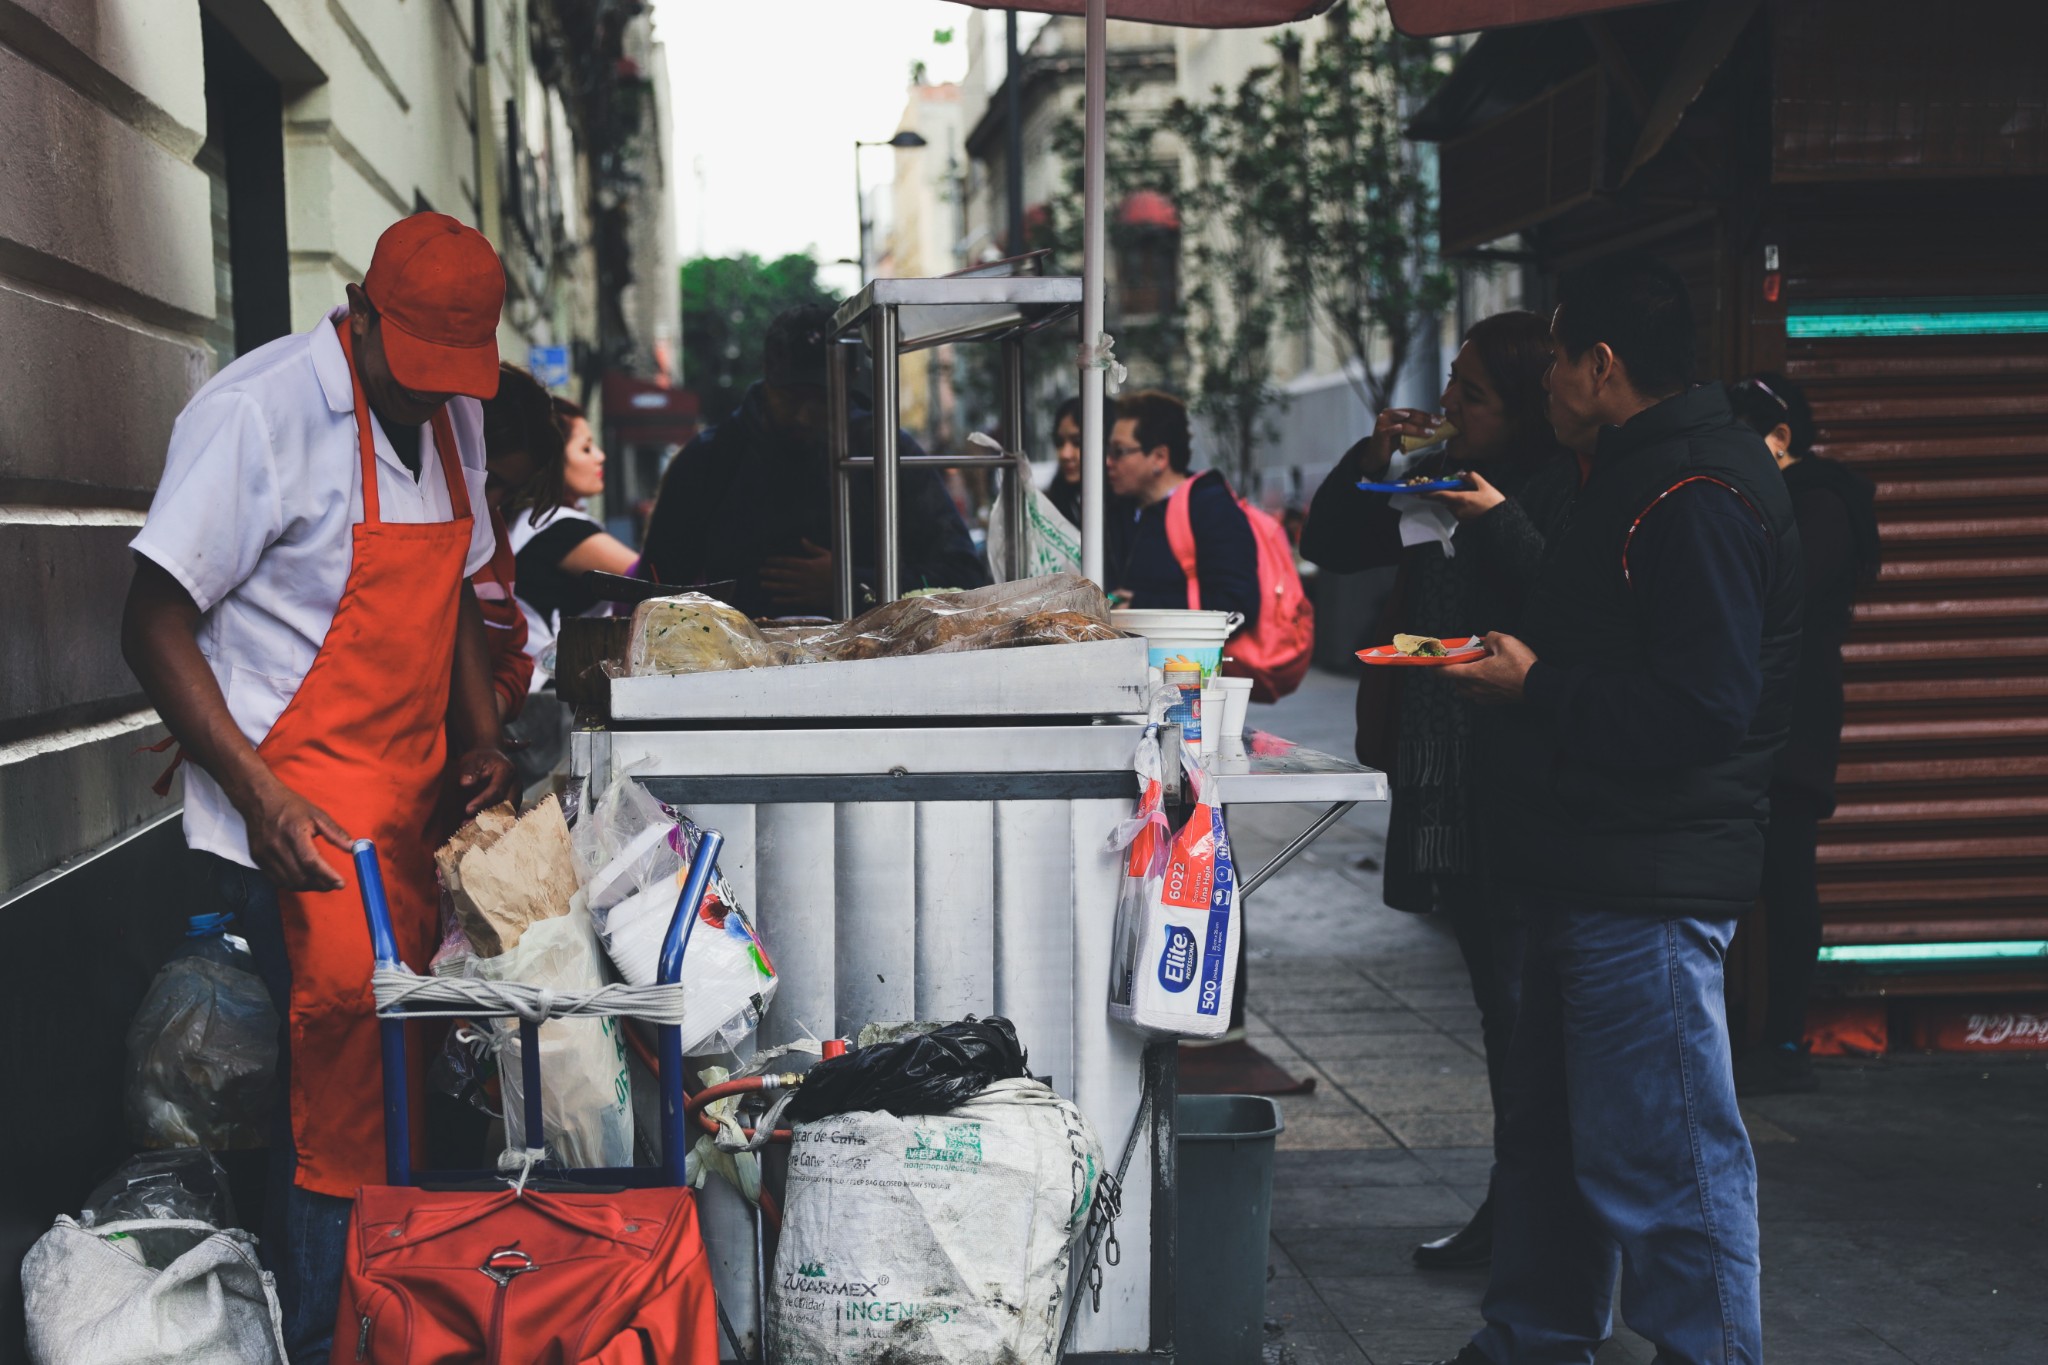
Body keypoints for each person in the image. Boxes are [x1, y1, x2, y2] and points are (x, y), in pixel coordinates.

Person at [121, 212, 518, 1364]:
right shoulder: (259, 414)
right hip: (294, 815)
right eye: (417, 369)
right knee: (337, 1095)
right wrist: (259, 796)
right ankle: (322, 1335)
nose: (431, 398)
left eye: (457, 377)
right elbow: (151, 621)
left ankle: (405, 1321)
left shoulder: (453, 421)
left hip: (412, 809)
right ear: (359, 306)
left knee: (422, 1084)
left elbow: (444, 583)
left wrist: (481, 733)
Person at [1417, 255, 1801, 1365]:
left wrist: (1530, 686)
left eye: (1555, 356)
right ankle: (1530, 1338)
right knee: (1549, 1144)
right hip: (1579, 861)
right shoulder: (1630, 470)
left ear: (1600, 364)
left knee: (1663, 1156)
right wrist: (1497, 542)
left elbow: (1699, 709)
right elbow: (1594, 619)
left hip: (1646, 877)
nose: (1540, 379)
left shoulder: (1696, 493)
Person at [1299, 311, 1575, 1271]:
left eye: (1474, 392)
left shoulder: (1557, 485)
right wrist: (1374, 453)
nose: (1449, 403)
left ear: (1529, 405)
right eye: (1452, 383)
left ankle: (1532, 1217)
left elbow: (1559, 606)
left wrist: (1492, 516)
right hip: (1441, 771)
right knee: (1499, 1010)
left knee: (1525, 1012)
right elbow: (1335, 541)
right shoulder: (1430, 475)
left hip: (1522, 784)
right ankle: (1519, 1207)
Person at [1727, 371, 1880, 1096]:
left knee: (1786, 881)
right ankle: (1738, 1034)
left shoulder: (1820, 504)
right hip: (1751, 715)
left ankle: (1784, 1038)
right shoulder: (1770, 500)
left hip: (1792, 722)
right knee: (1742, 880)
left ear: (1780, 438)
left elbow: (1771, 597)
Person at [640, 304, 989, 616]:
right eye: (792, 398)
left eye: (822, 399)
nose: (805, 416)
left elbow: (962, 576)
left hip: (871, 665)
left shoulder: (885, 453)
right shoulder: (710, 459)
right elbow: (653, 592)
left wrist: (855, 583)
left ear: (849, 379)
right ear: (767, 377)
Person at [507, 396, 639, 684]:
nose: (600, 456)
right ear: (552, 459)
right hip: (548, 695)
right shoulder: (560, 528)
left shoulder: (529, 520)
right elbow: (652, 580)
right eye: (586, 448)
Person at [1105, 388, 1260, 625]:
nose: (1108, 462)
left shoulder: (1210, 508)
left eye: (1119, 451)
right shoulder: (1120, 509)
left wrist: (1141, 606)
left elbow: (1238, 605)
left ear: (1159, 457)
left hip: (1197, 661)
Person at [474, 362, 568, 723]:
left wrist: (485, 720)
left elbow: (515, 653)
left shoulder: (492, 536)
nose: (495, 501)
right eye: (488, 479)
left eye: (510, 490)